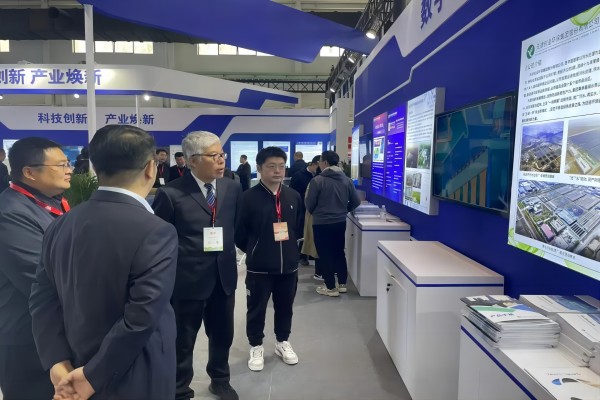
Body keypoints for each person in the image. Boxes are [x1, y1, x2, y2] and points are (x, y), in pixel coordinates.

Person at [29, 125, 178, 400]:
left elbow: (42, 299)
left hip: (72, 365)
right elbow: (141, 316)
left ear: (95, 167)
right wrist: (92, 376)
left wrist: (56, 361)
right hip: (134, 372)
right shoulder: (155, 230)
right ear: (151, 168)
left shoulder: (60, 224)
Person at [153, 131, 242, 400]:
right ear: (192, 161)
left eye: (222, 154)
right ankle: (179, 388)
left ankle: (220, 379)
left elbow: (234, 227)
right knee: (183, 339)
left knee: (223, 334)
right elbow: (161, 240)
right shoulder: (171, 193)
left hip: (223, 276)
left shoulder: (231, 187)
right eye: (214, 156)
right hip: (187, 281)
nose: (221, 160)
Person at [0, 137, 72, 399]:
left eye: (68, 163)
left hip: (53, 330)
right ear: (30, 172)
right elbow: (38, 278)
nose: (69, 169)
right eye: (61, 165)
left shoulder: (52, 202)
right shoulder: (10, 213)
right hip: (28, 337)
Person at [235, 147, 302, 372]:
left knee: (285, 307)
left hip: (288, 267)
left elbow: (297, 226)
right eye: (271, 166)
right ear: (259, 168)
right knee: (256, 309)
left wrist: (291, 251)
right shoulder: (247, 198)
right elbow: (239, 233)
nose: (277, 171)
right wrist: (255, 250)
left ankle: (283, 342)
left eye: (281, 166)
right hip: (259, 269)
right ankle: (256, 345)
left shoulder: (293, 196)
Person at [305, 151, 360, 297]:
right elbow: (356, 201)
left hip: (321, 223)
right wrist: (344, 210)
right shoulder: (347, 180)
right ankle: (342, 284)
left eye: (320, 161)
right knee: (339, 252)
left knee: (325, 254)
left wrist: (317, 212)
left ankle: (330, 287)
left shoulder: (317, 181)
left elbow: (309, 204)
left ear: (325, 163)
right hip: (340, 222)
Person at [290, 155, 320, 266]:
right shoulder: (299, 175)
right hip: (302, 208)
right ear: (313, 164)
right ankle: (301, 255)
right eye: (318, 166)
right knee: (302, 232)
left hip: (315, 211)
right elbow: (292, 192)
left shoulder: (320, 177)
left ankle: (312, 255)